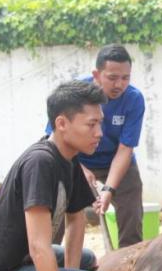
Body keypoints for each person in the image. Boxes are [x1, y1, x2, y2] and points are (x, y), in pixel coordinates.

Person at [0, 80, 114, 271]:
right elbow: (39, 247)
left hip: (19, 259)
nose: (99, 133)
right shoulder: (41, 163)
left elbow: (76, 219)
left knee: (88, 260)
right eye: (91, 124)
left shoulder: (68, 159)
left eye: (100, 124)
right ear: (62, 124)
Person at [48, 44, 146, 248]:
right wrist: (78, 168)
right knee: (56, 203)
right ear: (96, 74)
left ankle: (130, 261)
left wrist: (108, 189)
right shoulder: (74, 94)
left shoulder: (134, 99)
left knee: (131, 206)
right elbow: (55, 138)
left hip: (116, 160)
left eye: (126, 78)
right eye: (112, 77)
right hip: (77, 158)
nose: (119, 84)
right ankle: (49, 257)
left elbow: (125, 149)